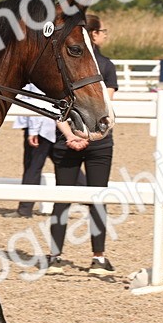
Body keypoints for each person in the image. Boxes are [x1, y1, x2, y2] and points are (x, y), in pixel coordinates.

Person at [46, 14, 119, 276]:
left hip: (70, 139)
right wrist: (85, 136)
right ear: (94, 34)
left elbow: (57, 108)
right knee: (97, 198)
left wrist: (71, 135)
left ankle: (55, 256)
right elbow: (104, 108)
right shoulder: (105, 65)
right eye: (103, 31)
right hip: (98, 141)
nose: (104, 35)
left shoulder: (63, 63)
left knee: (62, 199)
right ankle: (98, 258)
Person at [9, 83, 57, 218]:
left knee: (32, 167)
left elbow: (37, 102)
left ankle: (25, 209)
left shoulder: (35, 80)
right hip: (43, 128)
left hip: (40, 130)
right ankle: (90, 196)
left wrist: (34, 131)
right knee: (64, 164)